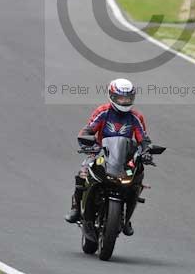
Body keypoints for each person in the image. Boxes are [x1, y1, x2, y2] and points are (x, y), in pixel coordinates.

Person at [65, 78, 152, 236]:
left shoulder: (136, 117)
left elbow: (143, 138)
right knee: (83, 172)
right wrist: (87, 143)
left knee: (138, 176)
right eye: (121, 98)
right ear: (112, 96)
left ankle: (126, 218)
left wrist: (146, 152)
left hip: (125, 158)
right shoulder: (103, 111)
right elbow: (87, 130)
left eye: (128, 98)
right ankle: (76, 209)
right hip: (100, 153)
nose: (124, 101)